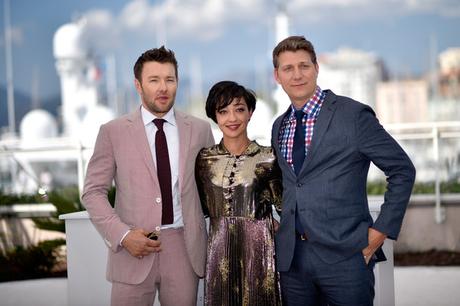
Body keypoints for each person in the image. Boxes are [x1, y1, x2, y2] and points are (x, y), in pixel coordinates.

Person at [271, 36, 416, 305]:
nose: (297, 74)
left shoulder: (353, 116)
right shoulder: (280, 125)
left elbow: (402, 170)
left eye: (304, 66)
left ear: (316, 68)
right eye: (288, 68)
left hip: (346, 259)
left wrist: (378, 234)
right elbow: (291, 184)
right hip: (293, 262)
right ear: (277, 76)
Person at [82, 46, 214, 306]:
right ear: (138, 85)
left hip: (184, 249)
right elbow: (92, 192)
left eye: (169, 79)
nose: (163, 88)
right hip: (132, 249)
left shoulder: (200, 130)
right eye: (154, 80)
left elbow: (211, 188)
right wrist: (122, 235)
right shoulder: (113, 132)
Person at [195, 81, 283, 306]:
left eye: (239, 109)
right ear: (214, 116)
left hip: (259, 250)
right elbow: (200, 206)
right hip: (219, 250)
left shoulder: (268, 157)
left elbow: (285, 206)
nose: (232, 118)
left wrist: (268, 221)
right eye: (223, 111)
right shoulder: (204, 160)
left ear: (250, 113)